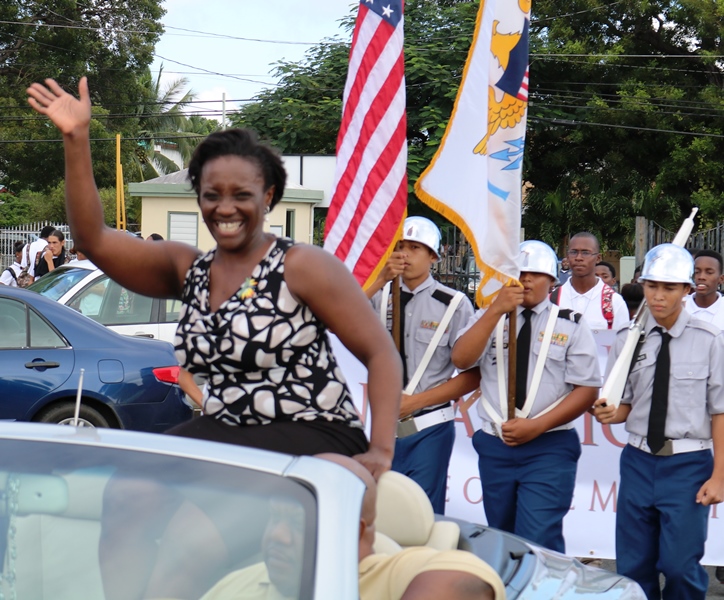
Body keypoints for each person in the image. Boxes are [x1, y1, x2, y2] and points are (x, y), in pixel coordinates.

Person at [28, 77, 402, 600]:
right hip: (228, 429)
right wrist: (76, 138)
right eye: (212, 195)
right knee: (127, 491)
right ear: (198, 197)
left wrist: (381, 450)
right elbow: (93, 239)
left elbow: (379, 352)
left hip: (308, 430)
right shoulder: (188, 269)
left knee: (185, 554)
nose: (226, 208)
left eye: (241, 194)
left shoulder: (303, 266)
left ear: (268, 196)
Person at [593, 243, 724, 600]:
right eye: (652, 286)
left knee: (681, 567)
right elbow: (625, 407)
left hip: (688, 464)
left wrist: (719, 476)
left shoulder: (711, 340)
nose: (659, 296)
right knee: (633, 566)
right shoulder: (628, 340)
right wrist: (608, 413)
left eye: (669, 288)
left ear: (686, 290)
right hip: (637, 461)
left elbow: (720, 410)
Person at [451, 240, 600, 553]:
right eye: (519, 273)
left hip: (548, 446)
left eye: (535, 274)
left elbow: (586, 389)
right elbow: (462, 360)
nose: (526, 280)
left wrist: (538, 426)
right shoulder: (489, 317)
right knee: (502, 537)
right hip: (496, 445)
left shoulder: (570, 324)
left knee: (538, 538)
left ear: (551, 282)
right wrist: (495, 311)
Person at [199, 454, 505, 600]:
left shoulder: (395, 573)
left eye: (297, 522)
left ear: (351, 533)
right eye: (274, 518)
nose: (277, 535)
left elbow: (462, 582)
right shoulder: (237, 585)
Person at [364, 216, 478, 514]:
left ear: (433, 257)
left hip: (429, 424)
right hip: (382, 424)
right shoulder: (379, 295)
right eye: (400, 246)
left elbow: (471, 374)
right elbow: (340, 318)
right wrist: (379, 281)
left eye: (415, 247)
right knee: (380, 512)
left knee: (420, 515)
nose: (405, 254)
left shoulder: (453, 303)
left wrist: (416, 401)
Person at [552, 232, 629, 331]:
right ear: (567, 256)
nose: (578, 258)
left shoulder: (614, 302)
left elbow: (622, 344)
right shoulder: (553, 300)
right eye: (573, 252)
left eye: (585, 253)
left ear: (598, 258)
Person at [684, 249, 724, 330]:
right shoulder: (679, 307)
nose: (701, 277)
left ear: (721, 279)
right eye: (697, 272)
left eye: (709, 272)